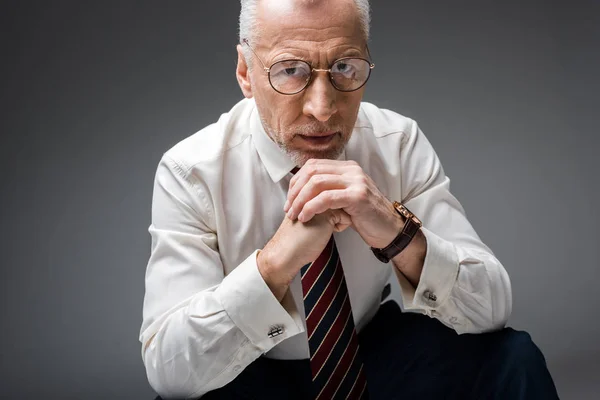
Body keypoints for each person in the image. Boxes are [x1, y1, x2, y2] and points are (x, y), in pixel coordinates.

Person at [139, 0, 559, 398]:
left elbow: (492, 308)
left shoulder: (397, 143)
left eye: (344, 68)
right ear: (245, 72)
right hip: (247, 369)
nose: (323, 110)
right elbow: (170, 371)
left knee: (512, 359)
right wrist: (275, 265)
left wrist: (396, 233)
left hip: (370, 353)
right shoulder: (190, 171)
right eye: (289, 71)